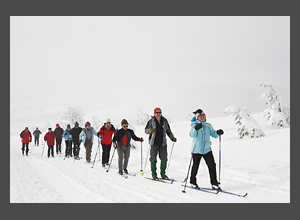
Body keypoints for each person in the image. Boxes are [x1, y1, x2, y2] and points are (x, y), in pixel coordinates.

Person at [189, 109, 224, 190]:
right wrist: (196, 129)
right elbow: (191, 135)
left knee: (212, 165)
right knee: (195, 166)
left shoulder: (208, 125)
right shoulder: (194, 125)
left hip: (207, 149)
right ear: (197, 117)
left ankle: (214, 183)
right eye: (200, 116)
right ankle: (192, 181)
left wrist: (218, 133)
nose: (202, 117)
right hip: (196, 150)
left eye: (203, 115)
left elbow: (213, 134)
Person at [145, 107, 177, 180]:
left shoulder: (164, 121)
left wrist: (172, 138)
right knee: (153, 159)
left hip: (163, 144)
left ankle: (163, 174)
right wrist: (151, 130)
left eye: (160, 112)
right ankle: (154, 174)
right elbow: (146, 130)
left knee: (164, 159)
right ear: (154, 113)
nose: (158, 114)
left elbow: (168, 131)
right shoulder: (151, 121)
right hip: (154, 143)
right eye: (157, 112)